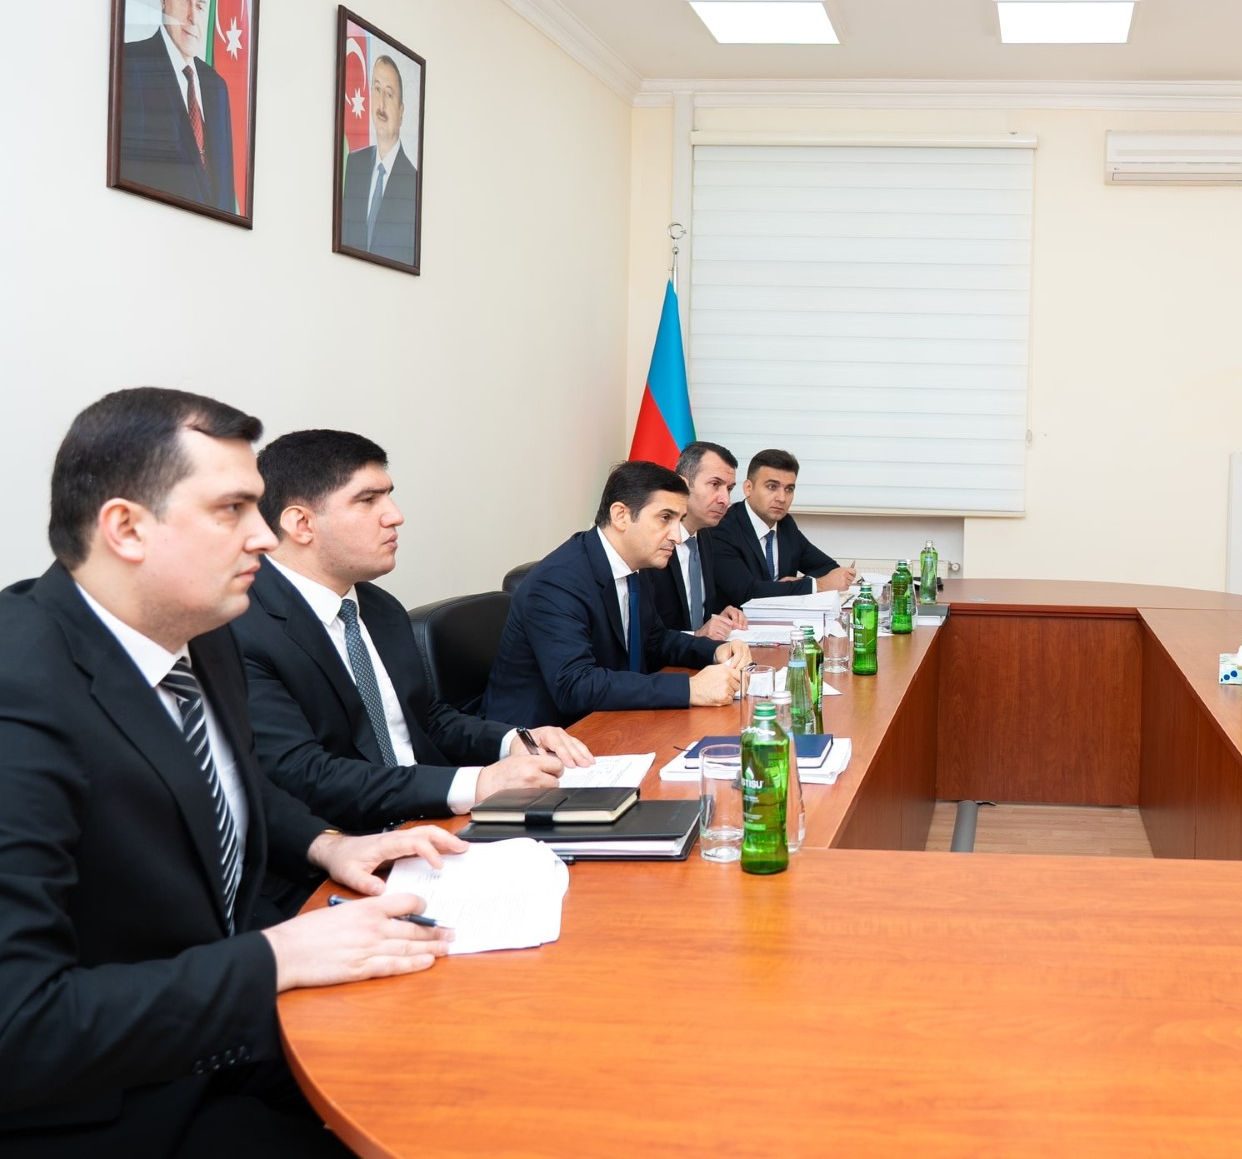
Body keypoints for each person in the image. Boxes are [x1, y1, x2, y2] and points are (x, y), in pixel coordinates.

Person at [0, 388, 464, 1156]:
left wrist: (328, 844)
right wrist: (278, 957)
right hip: (109, 1099)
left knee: (461, 1063)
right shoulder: (19, 691)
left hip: (229, 1023)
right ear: (125, 528)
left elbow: (217, 782)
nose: (264, 537)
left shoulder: (203, 632)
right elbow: (20, 1023)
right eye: (233, 510)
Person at [232, 430, 591, 838]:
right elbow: (302, 773)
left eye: (388, 496)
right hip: (345, 843)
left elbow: (425, 719)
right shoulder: (242, 628)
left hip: (435, 821)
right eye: (368, 500)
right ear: (301, 523)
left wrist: (513, 740)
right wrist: (477, 783)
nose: (395, 515)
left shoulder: (379, 607)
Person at [483, 461, 748, 727]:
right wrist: (690, 688)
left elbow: (655, 641)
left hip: (611, 720)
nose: (677, 537)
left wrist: (716, 651)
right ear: (621, 515)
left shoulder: (635, 564)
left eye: (679, 520)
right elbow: (575, 685)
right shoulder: (558, 581)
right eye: (665, 518)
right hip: (545, 734)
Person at [117, 0, 235, 213]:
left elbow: (226, 197)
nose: (193, 16)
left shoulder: (217, 87)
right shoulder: (132, 65)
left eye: (201, 5)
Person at [708, 448, 858, 607]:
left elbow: (828, 568)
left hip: (783, 618)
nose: (782, 498)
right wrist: (816, 585)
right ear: (748, 488)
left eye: (789, 489)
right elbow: (747, 593)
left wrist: (800, 582)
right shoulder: (722, 528)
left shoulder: (786, 524)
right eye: (772, 487)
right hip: (737, 620)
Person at [642, 440, 751, 641]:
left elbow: (693, 615)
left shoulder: (705, 535)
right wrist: (696, 636)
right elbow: (645, 634)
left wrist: (718, 617)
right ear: (683, 485)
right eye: (715, 484)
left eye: (729, 489)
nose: (725, 500)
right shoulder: (652, 543)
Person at [339, 54, 418, 264]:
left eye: (389, 95)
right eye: (376, 89)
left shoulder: (413, 183)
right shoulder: (354, 164)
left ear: (401, 112)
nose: (381, 103)